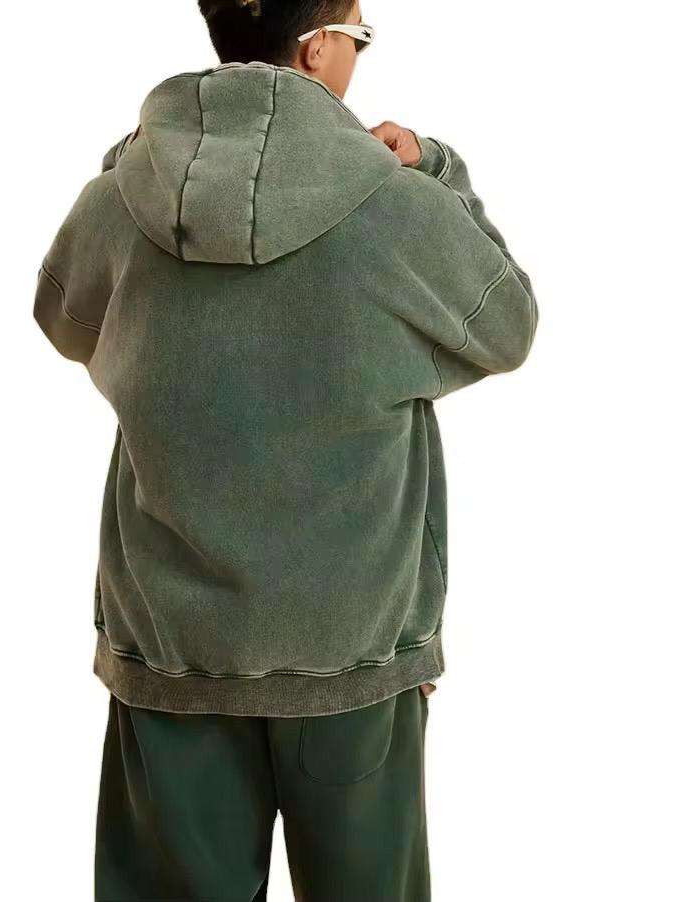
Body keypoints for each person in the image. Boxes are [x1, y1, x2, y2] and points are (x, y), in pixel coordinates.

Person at [33, 1, 538, 898]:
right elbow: (506, 324)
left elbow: (62, 315)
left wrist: (130, 169)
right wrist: (438, 169)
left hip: (172, 646)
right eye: (359, 34)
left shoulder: (122, 195)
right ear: (318, 48)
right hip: (354, 647)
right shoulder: (394, 205)